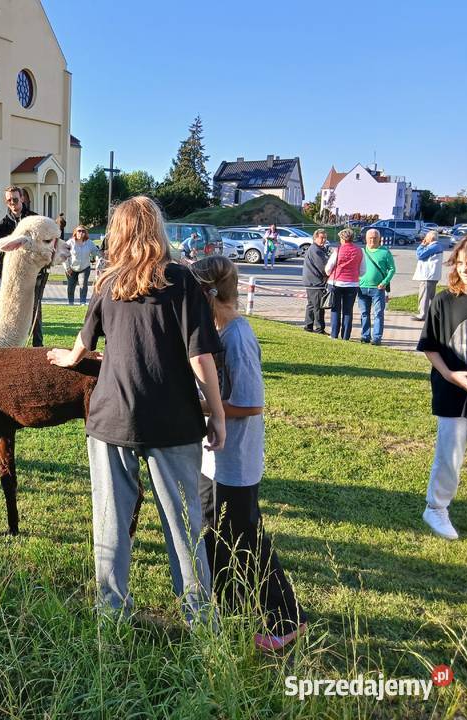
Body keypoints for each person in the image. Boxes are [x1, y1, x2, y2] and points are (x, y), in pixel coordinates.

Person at [47, 196, 225, 626]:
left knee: (110, 521)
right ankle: (201, 619)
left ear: (120, 234)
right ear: (158, 230)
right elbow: (200, 358)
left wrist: (69, 358)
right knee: (183, 526)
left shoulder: (108, 283)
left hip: (111, 419)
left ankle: (111, 614)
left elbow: (83, 344)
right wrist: (216, 414)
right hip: (173, 421)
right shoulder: (182, 281)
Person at [192, 255, 308, 651]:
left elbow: (250, 403)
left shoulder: (238, 337)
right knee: (214, 536)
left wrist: (202, 407)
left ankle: (288, 618)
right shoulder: (218, 335)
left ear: (207, 296)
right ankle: (231, 606)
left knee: (247, 540)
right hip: (213, 460)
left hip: (236, 462)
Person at [418, 235, 467, 541]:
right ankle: (436, 507)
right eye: (462, 263)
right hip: (452, 389)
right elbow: (431, 347)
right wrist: (453, 376)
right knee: (451, 453)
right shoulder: (444, 300)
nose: (466, 269)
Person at [0, 186, 43, 340]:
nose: (12, 203)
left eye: (15, 199)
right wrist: (4, 275)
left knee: (35, 310)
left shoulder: (34, 220)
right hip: (14, 277)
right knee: (14, 312)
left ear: (22, 198)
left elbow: (44, 245)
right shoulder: (2, 225)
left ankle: (37, 346)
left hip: (34, 274)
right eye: (9, 200)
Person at [325, 228, 365, 340]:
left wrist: (329, 274)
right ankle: (346, 336)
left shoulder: (338, 250)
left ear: (342, 238)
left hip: (336, 283)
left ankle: (334, 334)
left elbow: (328, 268)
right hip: (352, 284)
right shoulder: (359, 251)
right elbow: (363, 270)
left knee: (335, 309)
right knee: (348, 311)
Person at [358, 228, 396, 345]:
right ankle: (365, 336)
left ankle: (377, 338)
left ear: (379, 239)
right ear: (366, 239)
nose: (372, 240)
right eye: (370, 238)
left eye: (375, 238)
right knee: (364, 313)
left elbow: (392, 269)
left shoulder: (385, 252)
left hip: (378, 288)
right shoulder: (361, 252)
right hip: (362, 287)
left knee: (378, 314)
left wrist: (385, 282)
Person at [302, 229, 330, 333]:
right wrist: (328, 275)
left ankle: (308, 326)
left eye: (325, 238)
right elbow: (323, 268)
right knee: (318, 306)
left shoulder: (319, 249)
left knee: (311, 305)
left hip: (311, 282)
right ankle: (319, 328)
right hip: (315, 282)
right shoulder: (315, 250)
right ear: (315, 238)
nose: (323, 240)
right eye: (321, 238)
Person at [414, 230, 445, 322]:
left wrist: (422, 245)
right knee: (430, 296)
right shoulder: (437, 246)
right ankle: (433, 314)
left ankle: (422, 314)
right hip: (432, 275)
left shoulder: (434, 246)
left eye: (426, 237)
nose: (425, 239)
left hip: (428, 275)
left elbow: (420, 255)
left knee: (424, 295)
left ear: (431, 238)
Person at [64, 225, 98, 305]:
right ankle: (71, 303)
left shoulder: (89, 243)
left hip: (84, 268)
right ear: (75, 232)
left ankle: (82, 302)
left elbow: (96, 252)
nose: (81, 233)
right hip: (71, 268)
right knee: (71, 287)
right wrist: (67, 268)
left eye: (83, 231)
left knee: (83, 285)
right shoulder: (70, 243)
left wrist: (98, 255)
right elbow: (64, 256)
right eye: (79, 231)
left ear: (85, 233)